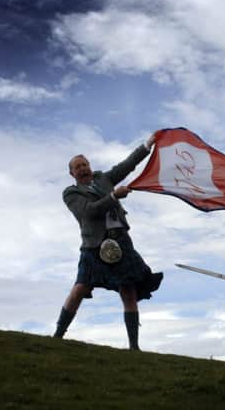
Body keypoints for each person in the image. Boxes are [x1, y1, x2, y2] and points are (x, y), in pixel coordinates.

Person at [52, 133, 163, 350]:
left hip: (121, 241)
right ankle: (57, 336)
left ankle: (134, 347)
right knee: (80, 287)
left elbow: (128, 165)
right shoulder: (71, 193)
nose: (83, 168)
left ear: (90, 166)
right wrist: (113, 197)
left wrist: (147, 144)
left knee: (128, 289)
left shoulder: (104, 179)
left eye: (85, 164)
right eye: (78, 167)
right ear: (72, 173)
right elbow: (88, 212)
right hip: (93, 246)